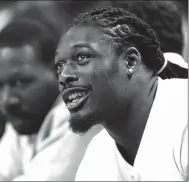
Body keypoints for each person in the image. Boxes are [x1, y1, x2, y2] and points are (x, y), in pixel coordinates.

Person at [55, 7, 188, 181]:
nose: (64, 76)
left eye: (82, 57)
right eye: (59, 65)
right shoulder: (97, 154)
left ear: (130, 61)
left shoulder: (183, 113)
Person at [0, 18, 69, 181]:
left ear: (58, 72)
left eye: (20, 82)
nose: (7, 99)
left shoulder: (81, 112)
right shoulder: (25, 116)